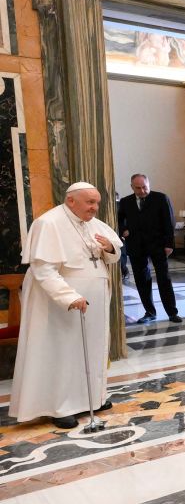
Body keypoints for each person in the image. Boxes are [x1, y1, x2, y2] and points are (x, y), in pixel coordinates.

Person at [11, 183, 123, 428]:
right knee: (63, 354)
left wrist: (109, 248)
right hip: (60, 306)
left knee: (91, 351)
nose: (94, 208)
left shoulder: (93, 224)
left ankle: (93, 398)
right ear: (71, 200)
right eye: (89, 203)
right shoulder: (48, 223)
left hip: (93, 305)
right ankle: (60, 406)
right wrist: (68, 297)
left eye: (96, 203)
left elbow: (114, 255)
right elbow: (43, 270)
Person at [117, 174, 180, 324]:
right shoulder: (126, 202)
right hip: (136, 245)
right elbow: (119, 219)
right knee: (141, 279)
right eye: (138, 188)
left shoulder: (161, 198)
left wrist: (169, 244)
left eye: (145, 187)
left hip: (158, 245)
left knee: (164, 278)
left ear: (148, 184)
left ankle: (172, 312)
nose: (142, 190)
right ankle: (149, 312)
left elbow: (169, 222)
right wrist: (123, 229)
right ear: (132, 187)